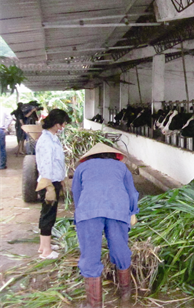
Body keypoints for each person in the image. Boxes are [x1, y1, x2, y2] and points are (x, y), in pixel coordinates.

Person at [72, 143, 139, 308]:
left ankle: (94, 304)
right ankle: (125, 297)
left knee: (90, 255)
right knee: (120, 249)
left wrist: (79, 213)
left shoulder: (82, 168)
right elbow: (131, 192)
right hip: (117, 209)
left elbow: (76, 193)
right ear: (113, 155)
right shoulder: (121, 167)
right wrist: (133, 211)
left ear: (90, 156)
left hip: (89, 210)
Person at [35, 109, 71, 259]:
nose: (63, 127)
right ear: (57, 124)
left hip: (54, 180)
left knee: (49, 213)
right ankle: (46, 252)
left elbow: (57, 162)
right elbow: (46, 165)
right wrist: (49, 186)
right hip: (48, 182)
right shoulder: (46, 142)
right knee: (48, 215)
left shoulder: (52, 138)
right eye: (62, 124)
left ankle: (44, 245)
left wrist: (62, 178)